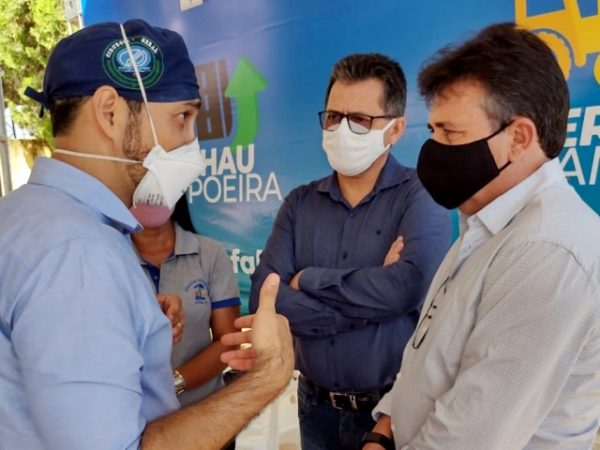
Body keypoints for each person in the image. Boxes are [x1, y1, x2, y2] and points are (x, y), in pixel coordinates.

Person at [0, 19, 293, 450]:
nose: (192, 142)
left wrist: (132, 320)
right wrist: (269, 375)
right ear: (110, 112)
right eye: (182, 118)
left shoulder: (24, 216)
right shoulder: (80, 253)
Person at [366, 23, 600, 450]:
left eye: (451, 133)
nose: (434, 148)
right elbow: (429, 358)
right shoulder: (484, 221)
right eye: (433, 131)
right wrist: (382, 433)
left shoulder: (547, 250)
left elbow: (469, 437)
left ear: (519, 138)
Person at [250, 53, 451, 449]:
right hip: (314, 407)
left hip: (391, 413)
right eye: (333, 117)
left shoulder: (421, 196)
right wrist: (370, 308)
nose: (342, 129)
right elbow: (264, 295)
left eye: (359, 119)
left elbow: (406, 288)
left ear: (395, 129)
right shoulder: (299, 203)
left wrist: (308, 280)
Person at [132, 196, 241, 450]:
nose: (150, 196)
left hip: (205, 417)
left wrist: (172, 384)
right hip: (134, 422)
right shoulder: (110, 255)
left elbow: (228, 342)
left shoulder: (209, 254)